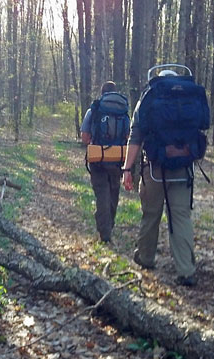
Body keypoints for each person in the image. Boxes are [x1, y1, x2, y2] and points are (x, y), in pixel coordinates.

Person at [121, 70, 197, 287]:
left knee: (151, 214)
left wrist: (127, 169)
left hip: (154, 168)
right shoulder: (188, 99)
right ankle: (186, 270)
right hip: (183, 168)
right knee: (181, 217)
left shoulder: (148, 99)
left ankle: (145, 258)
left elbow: (136, 137)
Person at [80, 81, 129, 244]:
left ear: (102, 93)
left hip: (98, 159)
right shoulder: (124, 110)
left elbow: (85, 137)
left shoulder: (94, 109)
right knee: (114, 193)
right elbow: (129, 136)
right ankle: (109, 224)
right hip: (118, 159)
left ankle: (105, 232)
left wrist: (94, 145)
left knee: (102, 194)